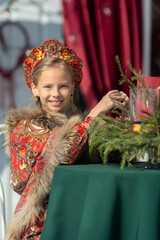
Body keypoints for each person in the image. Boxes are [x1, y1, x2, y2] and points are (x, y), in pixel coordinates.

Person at [3, 39, 128, 240]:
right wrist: (95, 114)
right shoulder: (25, 129)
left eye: (62, 86)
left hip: (82, 213)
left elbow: (111, 155)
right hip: (41, 227)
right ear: (34, 89)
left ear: (72, 88)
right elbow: (61, 152)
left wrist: (126, 117)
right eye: (47, 87)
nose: (55, 94)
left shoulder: (79, 124)